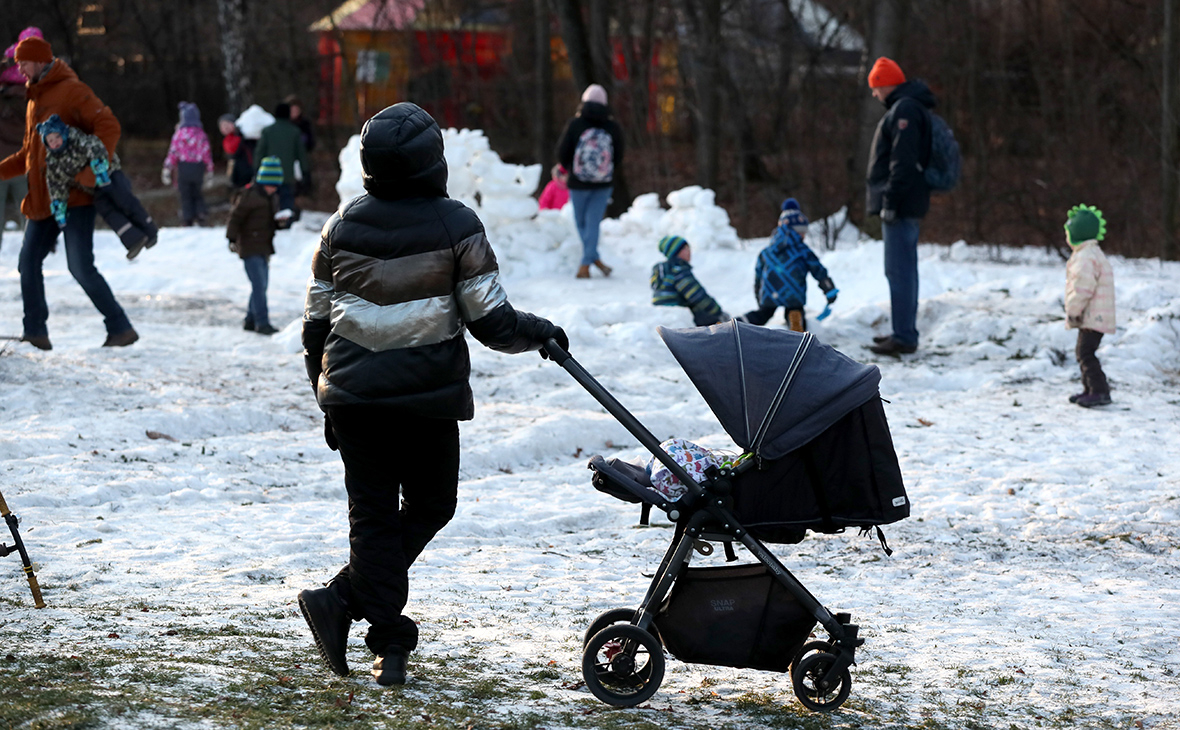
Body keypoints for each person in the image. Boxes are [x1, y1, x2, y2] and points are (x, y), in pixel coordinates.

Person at [296, 102, 568, 688]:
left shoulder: (340, 225)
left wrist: (324, 391)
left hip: (355, 400)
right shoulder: (456, 225)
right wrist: (541, 331)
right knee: (429, 505)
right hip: (426, 404)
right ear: (432, 162)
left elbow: (316, 323)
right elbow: (492, 323)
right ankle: (381, 634)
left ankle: (349, 606)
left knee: (374, 522)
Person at [0, 36, 137, 351]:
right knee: (28, 262)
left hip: (74, 198)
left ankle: (120, 327)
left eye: (23, 61)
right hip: (41, 200)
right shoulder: (33, 99)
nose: (18, 67)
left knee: (79, 266)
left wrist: (89, 174)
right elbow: (28, 154)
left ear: (38, 60)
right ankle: (35, 332)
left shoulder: (73, 90)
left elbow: (109, 127)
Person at [865, 57, 935, 356]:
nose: (874, 94)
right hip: (906, 203)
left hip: (901, 205)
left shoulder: (904, 109)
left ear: (884, 83)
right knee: (903, 270)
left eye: (875, 87)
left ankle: (904, 336)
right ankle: (903, 331)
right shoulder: (909, 106)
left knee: (900, 271)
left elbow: (902, 161)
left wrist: (890, 200)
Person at [37, 114, 158, 259]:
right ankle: (133, 239)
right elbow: (56, 184)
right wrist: (59, 205)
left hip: (110, 173)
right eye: (50, 140)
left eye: (57, 137)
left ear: (63, 133)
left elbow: (94, 145)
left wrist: (98, 163)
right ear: (46, 144)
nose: (55, 142)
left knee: (124, 200)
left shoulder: (76, 139)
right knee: (105, 209)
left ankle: (149, 230)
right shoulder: (53, 163)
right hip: (94, 187)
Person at [556, 83, 624, 279]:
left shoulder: (575, 124)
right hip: (603, 183)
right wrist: (608, 171)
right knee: (593, 222)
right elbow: (618, 155)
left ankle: (585, 264)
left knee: (581, 221)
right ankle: (593, 257)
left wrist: (568, 168)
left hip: (578, 182)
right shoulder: (612, 126)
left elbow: (563, 151)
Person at [740, 198, 837, 332]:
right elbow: (818, 270)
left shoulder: (767, 251)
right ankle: (795, 319)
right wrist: (829, 289)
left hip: (770, 292)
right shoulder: (803, 250)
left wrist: (759, 295)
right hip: (794, 293)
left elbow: (758, 275)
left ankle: (737, 323)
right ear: (796, 232)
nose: (803, 236)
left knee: (763, 314)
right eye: (802, 232)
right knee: (794, 309)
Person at [1063, 205, 1115, 408]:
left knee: (1086, 353)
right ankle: (1089, 389)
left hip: (1093, 315)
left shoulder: (1085, 257)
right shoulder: (1090, 253)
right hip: (1095, 315)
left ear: (1076, 234)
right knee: (1083, 351)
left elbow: (1082, 289)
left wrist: (1073, 311)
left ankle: (1100, 391)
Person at [226, 156, 283, 336]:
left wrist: (281, 222)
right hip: (249, 246)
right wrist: (231, 238)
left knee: (261, 284)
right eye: (270, 185)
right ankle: (262, 322)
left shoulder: (271, 198)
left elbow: (270, 221)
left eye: (276, 186)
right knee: (259, 285)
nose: (273, 189)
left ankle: (250, 320)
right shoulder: (249, 196)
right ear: (263, 182)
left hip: (264, 246)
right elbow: (235, 218)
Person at [650, 234, 728, 327]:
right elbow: (696, 295)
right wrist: (718, 312)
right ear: (676, 252)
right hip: (677, 316)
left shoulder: (663, 270)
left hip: (661, 315)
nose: (689, 251)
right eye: (685, 248)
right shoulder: (678, 269)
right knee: (713, 322)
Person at [162, 102, 214, 226]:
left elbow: (173, 152)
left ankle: (187, 217)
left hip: (184, 167)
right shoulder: (201, 134)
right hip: (198, 167)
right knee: (197, 191)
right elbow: (206, 153)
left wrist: (167, 168)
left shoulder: (179, 134)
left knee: (185, 193)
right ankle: (201, 213)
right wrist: (210, 170)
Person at [254, 102, 307, 221]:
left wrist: (257, 169)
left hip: (268, 174)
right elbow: (301, 154)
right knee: (286, 198)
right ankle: (285, 222)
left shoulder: (267, 131)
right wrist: (305, 171)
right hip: (287, 174)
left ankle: (267, 221)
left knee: (268, 198)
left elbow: (260, 152)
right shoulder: (294, 131)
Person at [283, 94, 315, 197]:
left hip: (300, 161)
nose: (294, 112)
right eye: (292, 110)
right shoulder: (282, 124)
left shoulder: (305, 124)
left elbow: (311, 143)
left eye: (296, 110)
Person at [217, 113, 254, 189]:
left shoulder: (246, 136)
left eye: (227, 124)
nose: (224, 128)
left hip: (247, 170)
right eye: (222, 126)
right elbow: (232, 151)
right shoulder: (228, 139)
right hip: (239, 174)